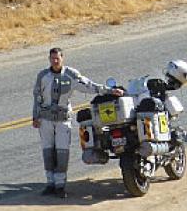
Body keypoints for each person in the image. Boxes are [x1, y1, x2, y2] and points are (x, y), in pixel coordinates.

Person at [32, 47, 123, 198]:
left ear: (63, 59)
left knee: (62, 153)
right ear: (49, 59)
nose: (55, 61)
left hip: (62, 121)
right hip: (45, 120)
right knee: (48, 152)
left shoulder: (71, 75)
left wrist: (109, 91)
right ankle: (50, 184)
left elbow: (90, 85)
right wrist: (35, 117)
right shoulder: (42, 76)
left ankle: (60, 186)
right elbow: (37, 97)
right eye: (52, 58)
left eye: (58, 58)